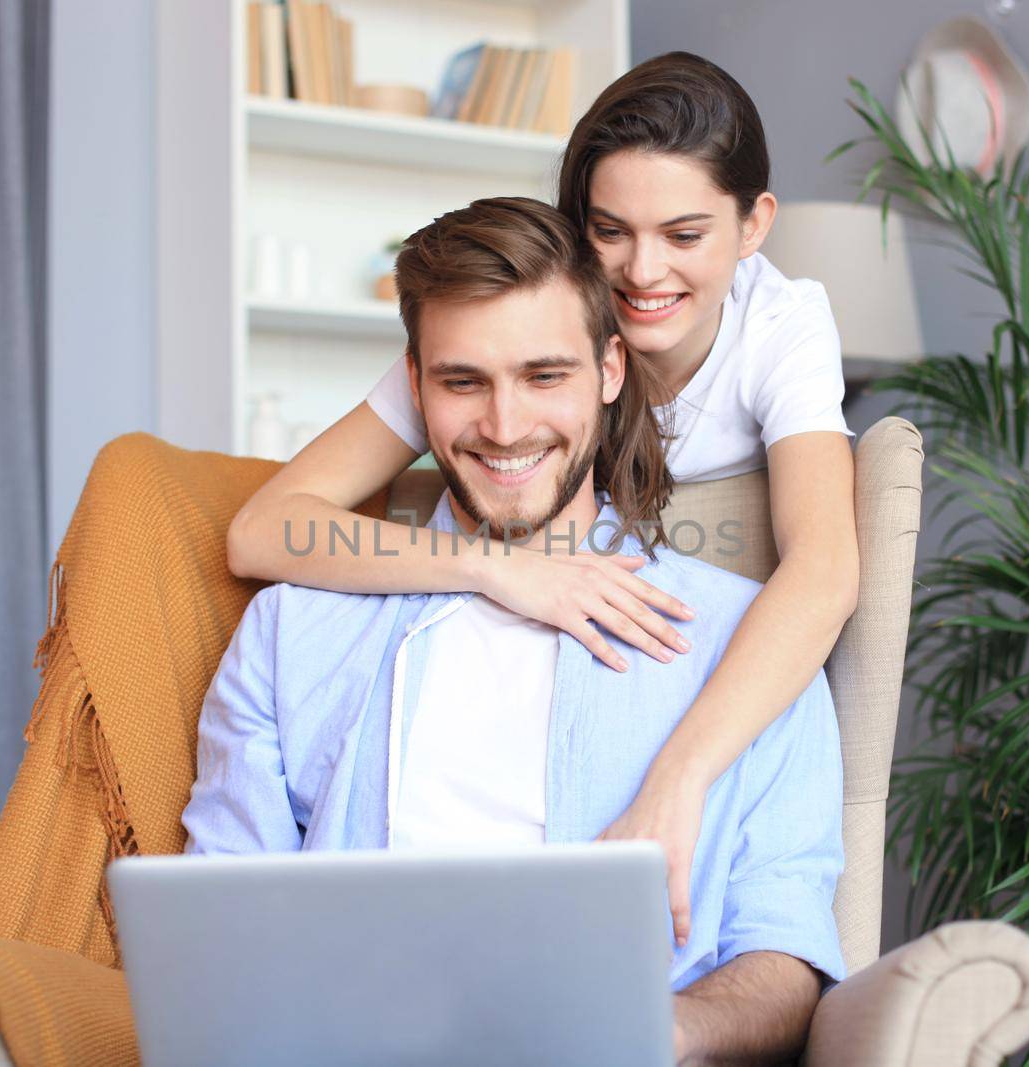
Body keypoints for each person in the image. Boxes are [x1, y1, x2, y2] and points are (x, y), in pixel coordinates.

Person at [185, 198, 845, 1064]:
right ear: (415, 386)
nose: (504, 427)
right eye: (464, 382)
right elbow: (216, 932)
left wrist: (669, 1032)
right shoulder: (291, 632)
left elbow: (784, 951)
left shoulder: (748, 649)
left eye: (544, 376)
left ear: (611, 368)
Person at [225, 52, 858, 950]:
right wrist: (503, 568)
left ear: (754, 225)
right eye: (611, 231)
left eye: (685, 235)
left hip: (666, 630)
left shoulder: (779, 327)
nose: (643, 274)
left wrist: (678, 779)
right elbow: (261, 529)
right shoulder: (508, 333)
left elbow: (826, 568)